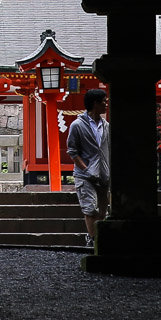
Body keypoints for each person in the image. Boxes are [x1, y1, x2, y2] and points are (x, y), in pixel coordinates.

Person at [66, 88, 110, 247]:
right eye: (104, 102)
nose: (106, 104)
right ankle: (93, 239)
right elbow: (72, 151)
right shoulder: (77, 125)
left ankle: (98, 237)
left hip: (104, 174)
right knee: (90, 207)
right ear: (95, 103)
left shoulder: (106, 126)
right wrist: (85, 169)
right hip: (85, 175)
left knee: (103, 211)